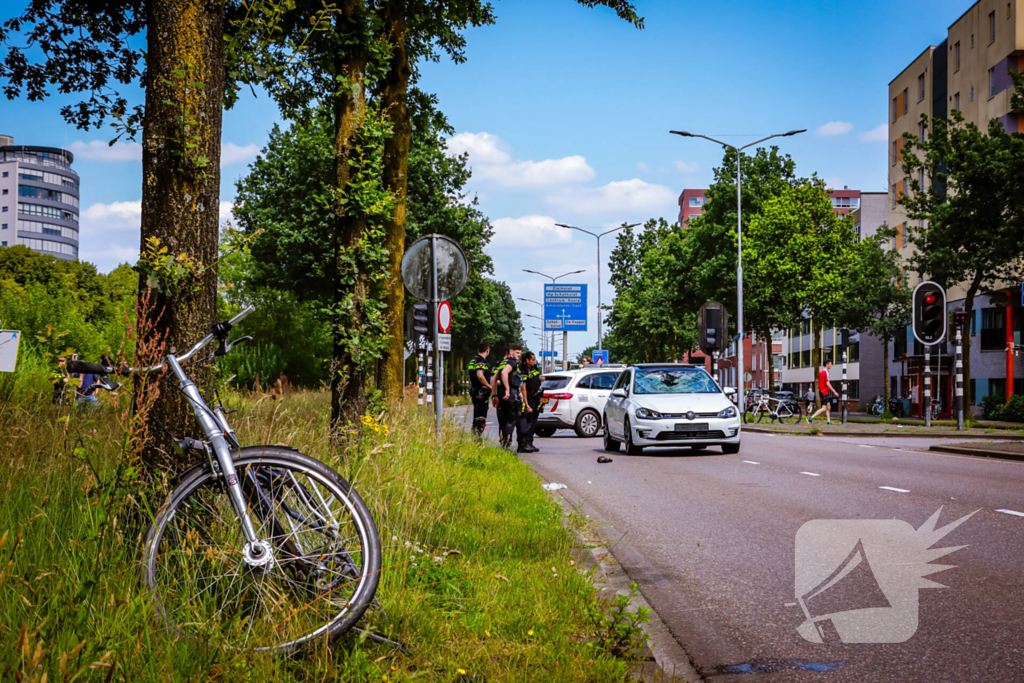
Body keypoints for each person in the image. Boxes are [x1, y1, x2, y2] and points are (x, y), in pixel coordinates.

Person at [494, 345, 523, 450]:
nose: (518, 355)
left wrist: (494, 395)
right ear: (511, 352)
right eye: (517, 352)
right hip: (510, 395)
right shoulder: (512, 362)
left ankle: (502, 442)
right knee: (511, 420)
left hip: (501, 395)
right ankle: (506, 444)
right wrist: (507, 389)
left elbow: (494, 379)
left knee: (503, 420)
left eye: (520, 353)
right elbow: (504, 373)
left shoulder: (502, 362)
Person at [518, 351, 542, 453]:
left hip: (536, 397)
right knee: (527, 421)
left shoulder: (534, 368)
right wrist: (526, 403)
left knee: (534, 422)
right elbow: (523, 388)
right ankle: (524, 443)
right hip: (529, 397)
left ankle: (530, 442)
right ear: (527, 360)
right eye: (532, 360)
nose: (534, 361)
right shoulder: (523, 370)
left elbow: (538, 379)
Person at [468, 342, 492, 437]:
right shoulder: (481, 361)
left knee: (476, 416)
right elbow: (480, 376)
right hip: (481, 392)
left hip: (474, 391)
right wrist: (489, 386)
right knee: (480, 417)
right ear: (487, 351)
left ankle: (475, 437)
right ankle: (477, 438)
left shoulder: (472, 361)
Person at [807, 360, 838, 424]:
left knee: (828, 407)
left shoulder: (822, 372)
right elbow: (827, 383)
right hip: (824, 392)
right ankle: (810, 418)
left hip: (823, 391)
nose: (831, 365)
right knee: (824, 408)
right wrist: (834, 391)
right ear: (827, 365)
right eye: (830, 364)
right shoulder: (825, 372)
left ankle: (828, 421)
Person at [491, 349, 512, 440]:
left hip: (505, 395)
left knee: (508, 420)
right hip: (502, 395)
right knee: (504, 420)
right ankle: (504, 439)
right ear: (507, 354)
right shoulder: (500, 365)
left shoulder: (513, 364)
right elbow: (494, 380)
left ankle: (506, 438)